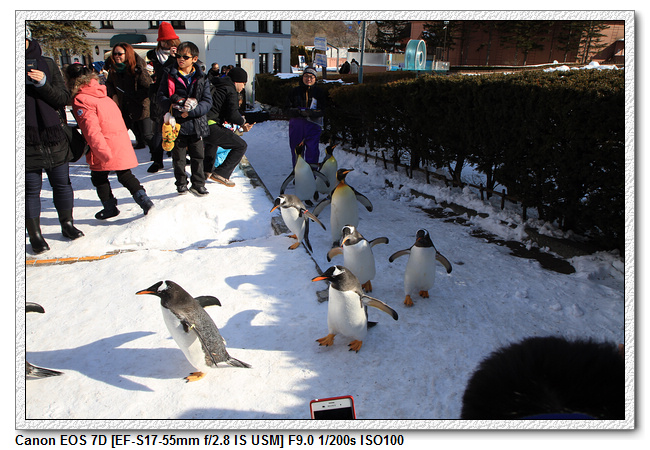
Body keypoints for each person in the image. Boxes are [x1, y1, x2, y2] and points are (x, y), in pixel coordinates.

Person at [65, 63, 154, 219]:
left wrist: (101, 152)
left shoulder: (81, 99)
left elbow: (91, 130)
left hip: (103, 144)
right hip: (118, 142)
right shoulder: (101, 94)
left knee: (99, 177)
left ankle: (109, 207)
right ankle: (145, 202)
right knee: (125, 174)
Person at [25, 29, 84, 254]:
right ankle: (35, 235)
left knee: (62, 183)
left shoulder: (47, 64)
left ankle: (67, 224)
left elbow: (63, 98)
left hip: (54, 136)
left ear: (29, 39)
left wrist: (43, 84)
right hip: (26, 141)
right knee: (30, 190)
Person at [157, 41, 212, 196]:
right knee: (179, 158)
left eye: (185, 57)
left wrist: (192, 112)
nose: (181, 59)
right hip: (176, 123)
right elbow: (160, 96)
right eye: (178, 56)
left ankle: (198, 184)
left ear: (194, 59)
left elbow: (207, 102)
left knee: (198, 156)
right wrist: (176, 107)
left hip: (196, 122)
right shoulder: (169, 74)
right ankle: (181, 184)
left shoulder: (202, 77)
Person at [203, 67, 254, 187]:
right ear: (237, 81)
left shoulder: (218, 84)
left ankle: (206, 171)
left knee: (212, 143)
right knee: (241, 145)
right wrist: (242, 122)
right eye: (243, 83)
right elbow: (232, 115)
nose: (243, 87)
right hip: (211, 124)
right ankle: (222, 173)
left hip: (202, 123)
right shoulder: (230, 90)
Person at [145, 21, 181, 173]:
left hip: (176, 94)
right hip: (160, 96)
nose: (166, 44)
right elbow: (162, 73)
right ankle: (157, 160)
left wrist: (176, 56)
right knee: (160, 129)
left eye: (169, 41)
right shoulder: (155, 56)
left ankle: (178, 156)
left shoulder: (180, 54)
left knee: (177, 127)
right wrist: (171, 59)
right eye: (163, 41)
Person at [105, 42, 153, 150]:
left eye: (120, 54)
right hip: (124, 105)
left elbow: (149, 87)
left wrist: (135, 95)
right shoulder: (114, 70)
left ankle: (158, 154)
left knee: (147, 135)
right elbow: (109, 83)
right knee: (120, 131)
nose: (116, 56)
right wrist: (113, 95)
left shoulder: (138, 69)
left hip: (141, 106)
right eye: (114, 54)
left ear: (127, 54)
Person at [285, 66, 326, 167]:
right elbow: (286, 109)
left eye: (311, 77)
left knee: (313, 150)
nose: (309, 79)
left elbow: (324, 109)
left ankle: (311, 172)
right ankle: (298, 172)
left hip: (313, 124)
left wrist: (312, 113)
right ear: (302, 77)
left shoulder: (319, 93)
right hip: (297, 125)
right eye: (306, 76)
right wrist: (298, 112)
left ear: (315, 79)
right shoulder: (294, 92)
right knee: (297, 150)